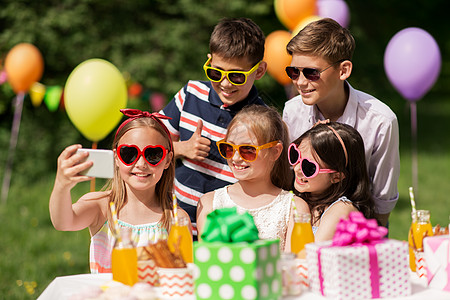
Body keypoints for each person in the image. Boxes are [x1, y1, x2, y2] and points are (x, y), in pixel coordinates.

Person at [282, 18, 399, 227]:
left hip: (356, 230)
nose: (300, 82)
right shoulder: (292, 110)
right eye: (293, 72)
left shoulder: (380, 121)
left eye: (311, 73)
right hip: (302, 225)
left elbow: (382, 201)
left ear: (343, 70)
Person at [160, 17, 267, 237]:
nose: (225, 84)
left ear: (259, 71)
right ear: (209, 61)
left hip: (226, 232)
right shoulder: (190, 94)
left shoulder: (262, 119)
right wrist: (181, 148)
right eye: (216, 73)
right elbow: (152, 142)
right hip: (175, 224)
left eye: (237, 76)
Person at [49, 109, 190, 273]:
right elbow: (63, 222)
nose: (141, 163)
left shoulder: (176, 219)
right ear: (116, 157)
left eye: (153, 154)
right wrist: (61, 185)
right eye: (129, 153)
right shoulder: (101, 207)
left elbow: (181, 275)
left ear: (167, 159)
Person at [196, 105, 309, 251]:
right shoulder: (209, 204)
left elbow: (294, 265)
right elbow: (207, 260)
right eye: (228, 148)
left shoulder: (295, 208)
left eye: (248, 150)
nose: (235, 158)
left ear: (275, 151)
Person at [289, 121, 376, 242]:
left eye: (309, 167)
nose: (297, 168)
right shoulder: (304, 198)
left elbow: (311, 255)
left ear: (336, 177)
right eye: (295, 155)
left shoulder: (341, 210)